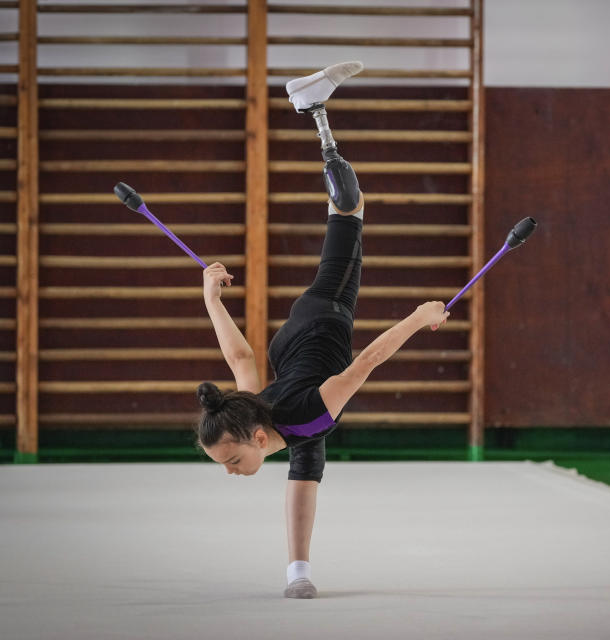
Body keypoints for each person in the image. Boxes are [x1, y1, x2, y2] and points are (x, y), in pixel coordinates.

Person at [194, 61, 450, 599]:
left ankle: (314, 110)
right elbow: (243, 362)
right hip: (292, 348)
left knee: (350, 209)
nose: (232, 471)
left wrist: (419, 317)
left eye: (234, 461)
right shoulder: (253, 413)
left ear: (257, 440)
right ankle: (298, 573)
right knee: (306, 469)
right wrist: (210, 300)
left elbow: (368, 363)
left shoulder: (314, 408)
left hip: (321, 323)